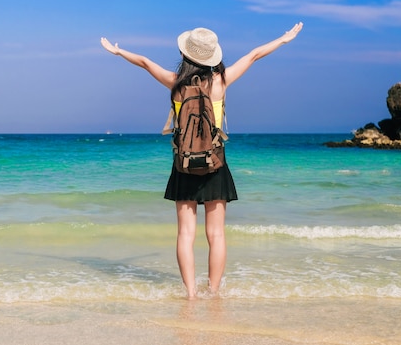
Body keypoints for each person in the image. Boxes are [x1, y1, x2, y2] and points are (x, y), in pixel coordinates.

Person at [100, 22, 303, 299]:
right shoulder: (220, 82)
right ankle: (214, 292)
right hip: (215, 162)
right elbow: (254, 55)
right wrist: (283, 39)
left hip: (183, 164)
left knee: (185, 234)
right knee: (216, 234)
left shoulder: (175, 83)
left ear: (186, 55)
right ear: (211, 57)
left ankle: (192, 295)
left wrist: (118, 52)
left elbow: (146, 63)